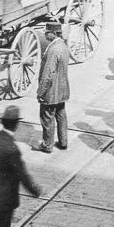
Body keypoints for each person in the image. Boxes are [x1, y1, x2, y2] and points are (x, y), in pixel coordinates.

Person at [33, 18, 69, 153]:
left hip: (51, 91)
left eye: (47, 32)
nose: (45, 34)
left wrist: (40, 92)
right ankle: (63, 141)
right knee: (61, 115)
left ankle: (47, 145)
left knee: (47, 117)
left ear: (53, 33)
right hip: (62, 90)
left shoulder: (53, 50)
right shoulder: (64, 46)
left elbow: (48, 74)